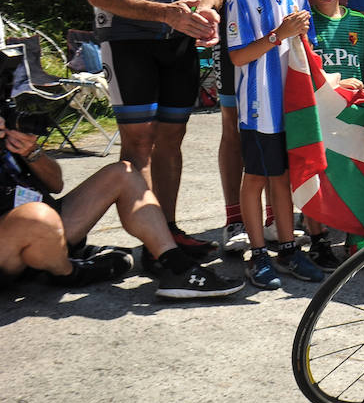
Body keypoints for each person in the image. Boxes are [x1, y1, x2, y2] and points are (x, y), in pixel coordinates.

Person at [82, 0, 223, 268]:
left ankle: (169, 231)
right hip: (127, 38)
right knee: (139, 141)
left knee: (173, 137)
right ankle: (154, 245)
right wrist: (166, 14)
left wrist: (204, 11)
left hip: (177, 36)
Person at [0, 111, 242, 298]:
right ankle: (70, 272)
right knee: (37, 216)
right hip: (11, 244)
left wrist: (32, 152)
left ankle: (176, 268)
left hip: (47, 230)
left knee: (123, 173)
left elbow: (56, 184)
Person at [208, 0, 298, 256]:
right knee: (236, 127)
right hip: (235, 30)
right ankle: (235, 218)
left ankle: (272, 222)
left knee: (277, 131)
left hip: (274, 33)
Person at [224, 0, 326, 288]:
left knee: (282, 176)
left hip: (292, 107)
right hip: (258, 107)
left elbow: (307, 52)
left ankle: (287, 248)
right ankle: (258, 253)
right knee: (255, 177)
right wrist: (277, 35)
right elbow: (238, 57)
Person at [301, 0, 364, 267]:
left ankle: (354, 237)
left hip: (355, 114)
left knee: (356, 175)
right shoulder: (305, 21)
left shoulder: (358, 22)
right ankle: (318, 239)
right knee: (317, 175)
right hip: (318, 113)